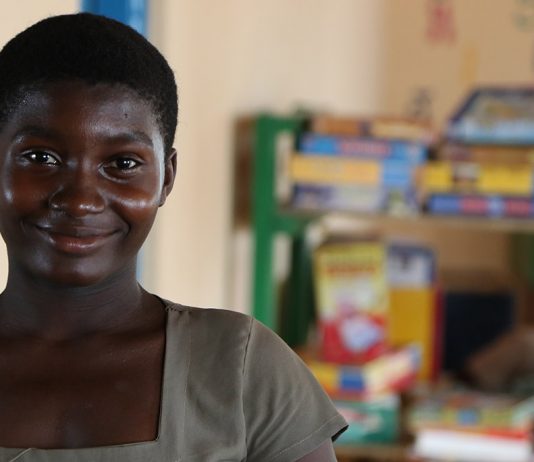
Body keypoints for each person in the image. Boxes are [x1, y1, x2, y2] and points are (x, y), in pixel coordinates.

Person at [0, 13, 347, 461]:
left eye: (122, 164)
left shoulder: (241, 370)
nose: (81, 200)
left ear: (166, 178)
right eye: (40, 157)